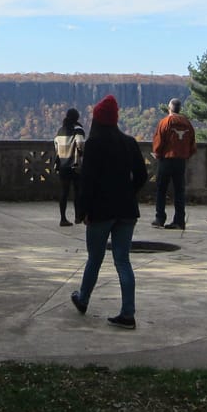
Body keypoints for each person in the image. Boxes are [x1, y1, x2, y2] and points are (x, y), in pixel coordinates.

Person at [70, 94, 149, 329]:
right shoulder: (130, 142)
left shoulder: (94, 145)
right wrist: (128, 192)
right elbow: (142, 176)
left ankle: (83, 299)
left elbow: (88, 183)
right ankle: (128, 313)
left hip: (100, 211)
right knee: (123, 261)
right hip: (126, 210)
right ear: (115, 119)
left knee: (95, 258)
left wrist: (82, 211)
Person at [151, 98, 197, 229]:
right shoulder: (187, 123)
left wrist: (158, 154)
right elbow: (193, 143)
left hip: (166, 159)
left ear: (169, 108)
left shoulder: (165, 122)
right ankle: (179, 221)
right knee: (179, 191)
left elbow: (158, 141)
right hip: (180, 161)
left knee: (161, 190)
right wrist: (186, 155)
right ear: (179, 109)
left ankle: (160, 218)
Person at [52, 108, 85, 226]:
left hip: (62, 165)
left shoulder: (60, 130)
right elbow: (81, 144)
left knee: (64, 192)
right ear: (77, 118)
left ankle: (63, 218)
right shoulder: (78, 129)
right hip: (74, 165)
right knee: (78, 192)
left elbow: (56, 147)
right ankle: (78, 217)